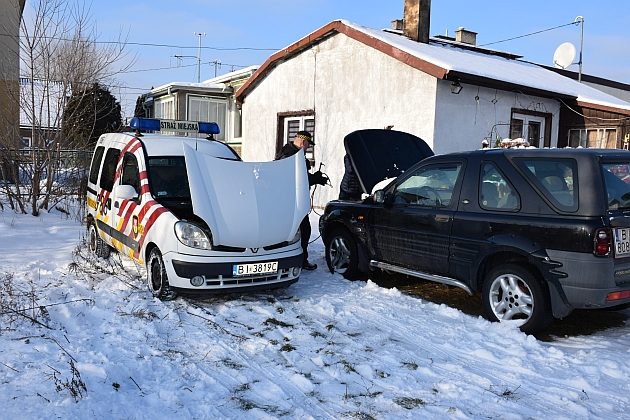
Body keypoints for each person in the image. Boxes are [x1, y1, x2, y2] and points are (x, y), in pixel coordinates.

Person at [275, 130, 328, 271]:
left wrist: (313, 177)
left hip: (292, 201)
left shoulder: (290, 153)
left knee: (299, 231)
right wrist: (315, 179)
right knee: (302, 231)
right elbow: (294, 179)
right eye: (307, 145)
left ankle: (294, 261)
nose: (307, 148)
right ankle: (299, 261)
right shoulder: (289, 156)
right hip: (291, 202)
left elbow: (301, 177)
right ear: (303, 142)